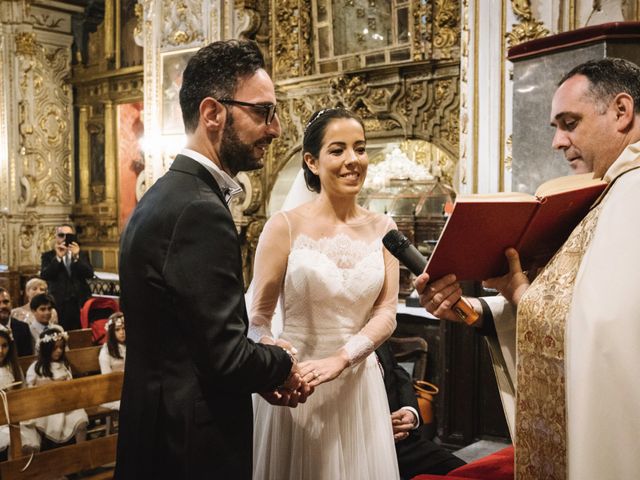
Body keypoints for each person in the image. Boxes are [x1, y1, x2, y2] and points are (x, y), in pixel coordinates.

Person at [416, 57, 640, 479]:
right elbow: (583, 310)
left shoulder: (633, 193)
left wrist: (523, 295)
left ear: (622, 111)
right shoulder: (616, 189)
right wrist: (481, 309)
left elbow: (611, 334)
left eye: (569, 122)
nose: (558, 141)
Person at [116, 39, 308, 480]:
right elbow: (226, 359)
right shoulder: (200, 210)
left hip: (155, 431)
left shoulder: (162, 196)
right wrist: (282, 361)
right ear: (213, 113)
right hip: (190, 448)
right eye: (263, 112)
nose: (275, 129)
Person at [249, 108, 400, 479]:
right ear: (312, 161)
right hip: (299, 383)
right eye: (338, 150)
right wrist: (273, 351)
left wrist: (342, 359)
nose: (353, 160)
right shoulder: (283, 227)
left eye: (360, 149)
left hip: (357, 386)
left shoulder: (385, 227)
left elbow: (387, 312)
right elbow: (257, 317)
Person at [375, 342, 466, 479]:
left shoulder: (373, 329)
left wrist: (410, 411)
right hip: (365, 448)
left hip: (404, 443)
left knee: (466, 472)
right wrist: (378, 428)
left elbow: (397, 371)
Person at [25, 326, 88, 446]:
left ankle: (81, 453)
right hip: (45, 407)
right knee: (39, 423)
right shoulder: (36, 368)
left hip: (67, 405)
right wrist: (52, 383)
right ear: (46, 348)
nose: (59, 351)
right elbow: (30, 390)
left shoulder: (65, 365)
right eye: (55, 348)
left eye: (61, 347)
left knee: (81, 421)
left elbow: (71, 385)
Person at [40, 223, 94, 331]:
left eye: (68, 235)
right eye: (61, 235)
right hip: (59, 303)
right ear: (56, 237)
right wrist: (58, 258)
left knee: (80, 335)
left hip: (80, 302)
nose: (64, 238)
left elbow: (89, 273)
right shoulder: (48, 256)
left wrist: (76, 257)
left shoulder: (81, 254)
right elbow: (45, 275)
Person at [0, 324, 40, 459]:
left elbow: (22, 393)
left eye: (4, 346)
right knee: (10, 440)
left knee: (27, 440)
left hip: (14, 414)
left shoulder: (13, 368)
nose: (0, 351)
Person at [98, 312, 126, 410]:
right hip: (114, 391)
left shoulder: (132, 347)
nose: (122, 332)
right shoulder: (106, 351)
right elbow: (107, 378)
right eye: (117, 330)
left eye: (124, 328)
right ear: (111, 332)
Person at [0, 287, 33, 357]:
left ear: (11, 303)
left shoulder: (23, 328)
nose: (3, 306)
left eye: (6, 302)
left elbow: (26, 359)